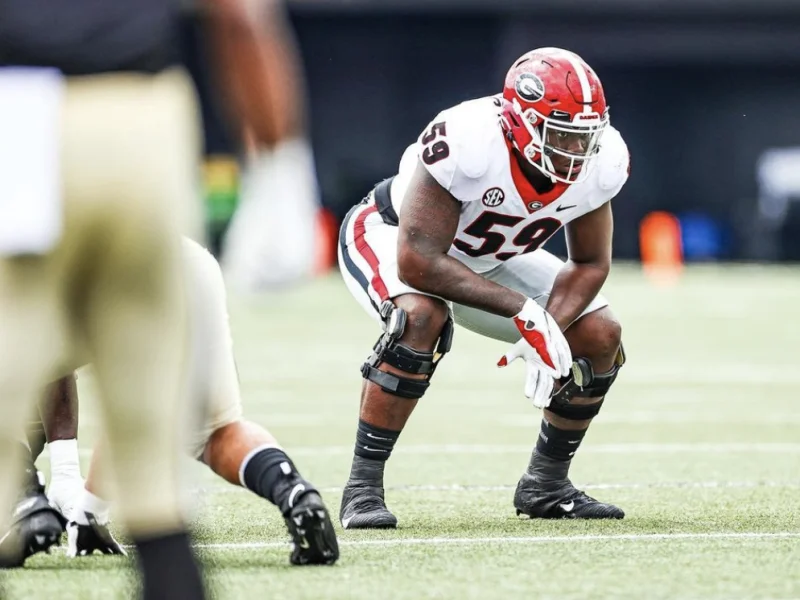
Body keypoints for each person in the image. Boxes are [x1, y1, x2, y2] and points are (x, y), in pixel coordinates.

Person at [0, 2, 313, 597]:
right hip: (145, 121)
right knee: (151, 463)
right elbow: (242, 17)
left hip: (17, 117)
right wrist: (282, 169)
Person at [337, 47, 630, 529]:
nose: (574, 152)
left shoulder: (603, 160)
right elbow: (418, 262)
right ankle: (362, 488)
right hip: (392, 235)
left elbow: (590, 262)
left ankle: (546, 484)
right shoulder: (468, 139)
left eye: (584, 138)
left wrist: (548, 328)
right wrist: (524, 311)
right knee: (419, 319)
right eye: (560, 135)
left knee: (598, 334)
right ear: (518, 122)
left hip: (492, 257)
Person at [21, 239, 339, 565]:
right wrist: (90, 509)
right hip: (188, 262)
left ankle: (20, 497)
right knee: (216, 432)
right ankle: (292, 491)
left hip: (112, 270)